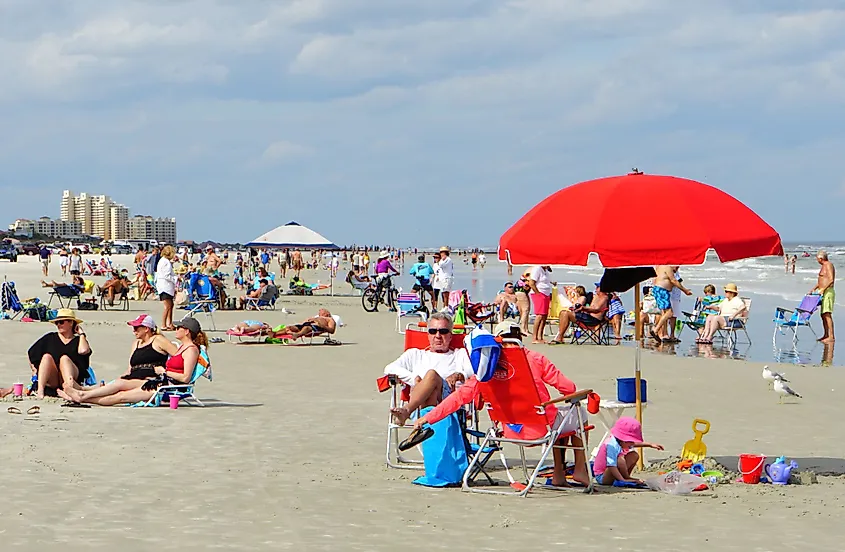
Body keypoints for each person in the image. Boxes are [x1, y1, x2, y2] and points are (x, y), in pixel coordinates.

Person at [414, 321, 591, 487]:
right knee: (576, 412)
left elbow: (458, 398)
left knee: (562, 415)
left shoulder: (487, 368)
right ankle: (580, 470)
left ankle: (558, 475)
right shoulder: (535, 358)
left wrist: (427, 418)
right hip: (540, 429)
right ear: (520, 339)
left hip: (508, 431)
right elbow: (569, 388)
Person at [62, 318, 207, 406]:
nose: (176, 329)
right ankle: (82, 394)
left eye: (179, 327)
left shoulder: (191, 350)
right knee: (121, 384)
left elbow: (185, 378)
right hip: (161, 382)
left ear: (187, 331)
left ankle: (82, 397)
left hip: (169, 388)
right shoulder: (182, 348)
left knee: (121, 397)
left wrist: (164, 371)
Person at [384, 312, 474, 426]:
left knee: (432, 375)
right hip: (420, 406)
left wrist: (459, 374)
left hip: (449, 404)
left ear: (451, 335)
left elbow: (473, 371)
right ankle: (427, 431)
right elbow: (389, 368)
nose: (437, 335)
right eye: (433, 331)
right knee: (431, 387)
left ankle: (407, 411)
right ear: (428, 335)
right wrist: (414, 379)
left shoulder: (459, 354)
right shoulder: (415, 354)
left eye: (443, 331)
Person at [27, 309, 92, 398]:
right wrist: (34, 370)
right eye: (57, 323)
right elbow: (31, 352)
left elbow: (83, 351)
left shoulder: (79, 340)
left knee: (64, 359)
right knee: (46, 357)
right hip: (53, 378)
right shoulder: (50, 337)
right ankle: (40, 390)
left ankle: (69, 390)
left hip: (72, 378)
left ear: (71, 323)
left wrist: (82, 334)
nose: (58, 325)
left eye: (61, 322)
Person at [594, 417, 663, 486]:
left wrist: (650, 445)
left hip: (614, 471)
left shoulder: (621, 442)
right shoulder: (611, 445)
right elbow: (611, 466)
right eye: (630, 441)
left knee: (634, 455)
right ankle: (624, 478)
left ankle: (626, 477)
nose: (632, 444)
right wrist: (622, 480)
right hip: (603, 476)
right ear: (624, 440)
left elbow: (633, 444)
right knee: (620, 459)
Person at [650, 265, 692, 342]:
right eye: (676, 267)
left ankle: (657, 330)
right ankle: (655, 330)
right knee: (669, 313)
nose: (677, 269)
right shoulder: (667, 267)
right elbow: (673, 280)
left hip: (661, 291)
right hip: (661, 291)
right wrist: (685, 290)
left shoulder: (660, 267)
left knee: (667, 313)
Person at [812, 250, 836, 343]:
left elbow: (831, 280)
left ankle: (831, 336)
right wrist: (814, 288)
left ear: (821, 258)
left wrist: (823, 289)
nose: (817, 260)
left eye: (817, 259)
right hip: (822, 292)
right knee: (822, 315)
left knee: (827, 314)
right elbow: (822, 280)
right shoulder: (823, 266)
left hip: (828, 291)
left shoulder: (828, 265)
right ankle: (826, 334)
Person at [527, 265, 553, 344]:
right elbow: (531, 283)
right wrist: (538, 293)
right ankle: (534, 337)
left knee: (544, 315)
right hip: (539, 293)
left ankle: (540, 336)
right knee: (539, 315)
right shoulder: (537, 268)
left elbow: (545, 281)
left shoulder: (545, 270)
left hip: (546, 293)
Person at [155, 245, 178, 331]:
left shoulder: (163, 261)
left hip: (164, 285)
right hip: (165, 286)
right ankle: (164, 324)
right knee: (167, 306)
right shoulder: (165, 262)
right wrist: (175, 279)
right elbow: (166, 275)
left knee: (170, 305)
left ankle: (169, 323)